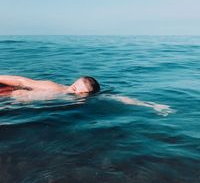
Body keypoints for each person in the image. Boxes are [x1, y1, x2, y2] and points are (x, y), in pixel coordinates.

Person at [0, 74, 173, 116]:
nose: (73, 92)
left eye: (81, 93)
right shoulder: (53, 86)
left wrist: (152, 105)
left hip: (15, 104)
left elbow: (119, 98)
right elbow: (21, 81)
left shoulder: (84, 96)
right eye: (74, 88)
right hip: (9, 96)